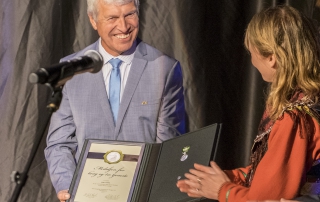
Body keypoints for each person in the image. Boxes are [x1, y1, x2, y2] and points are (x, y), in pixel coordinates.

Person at [44, 0, 185, 201]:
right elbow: (59, 143)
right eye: (112, 17)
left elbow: (168, 146)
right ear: (93, 20)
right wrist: (68, 188)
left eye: (129, 14)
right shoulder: (70, 69)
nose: (124, 26)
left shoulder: (164, 69)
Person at [177, 5, 320, 202]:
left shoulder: (295, 117)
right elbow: (266, 174)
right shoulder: (300, 98)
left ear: (272, 58)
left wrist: (223, 191)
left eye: (252, 51)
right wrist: (222, 179)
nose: (251, 59)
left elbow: (267, 199)